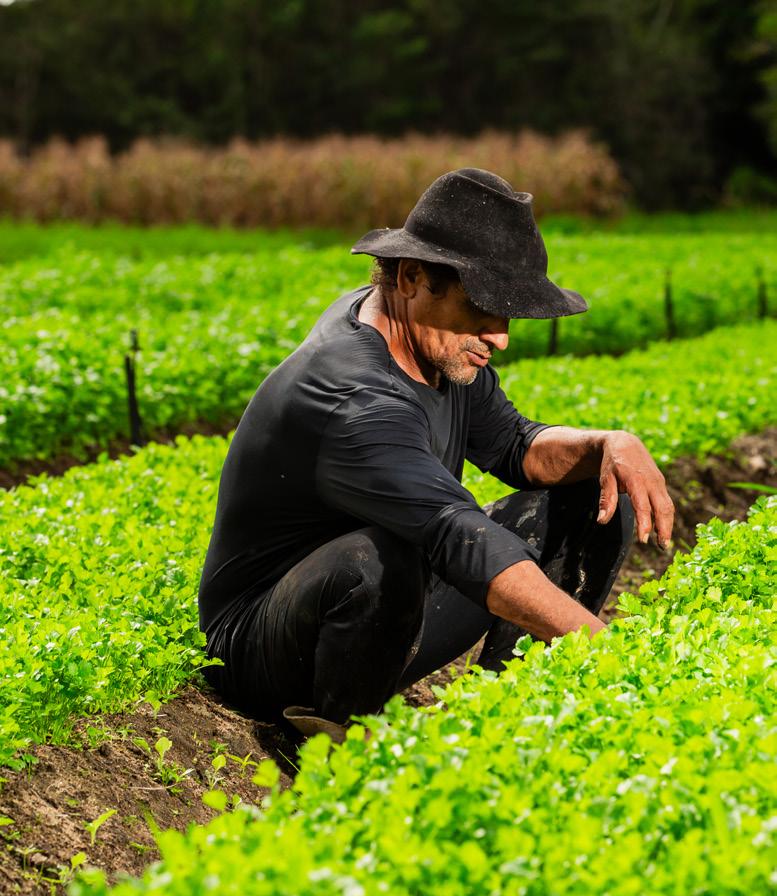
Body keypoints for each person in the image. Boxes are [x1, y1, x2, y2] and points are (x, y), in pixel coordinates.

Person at [197, 168, 674, 742]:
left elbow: (514, 444)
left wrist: (608, 445)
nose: (499, 338)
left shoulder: (428, 338)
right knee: (377, 560)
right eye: (482, 310)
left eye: (507, 315)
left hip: (387, 615)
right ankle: (335, 746)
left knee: (596, 492)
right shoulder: (355, 396)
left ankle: (518, 716)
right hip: (265, 644)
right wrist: (613, 653)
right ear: (412, 277)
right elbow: (454, 534)